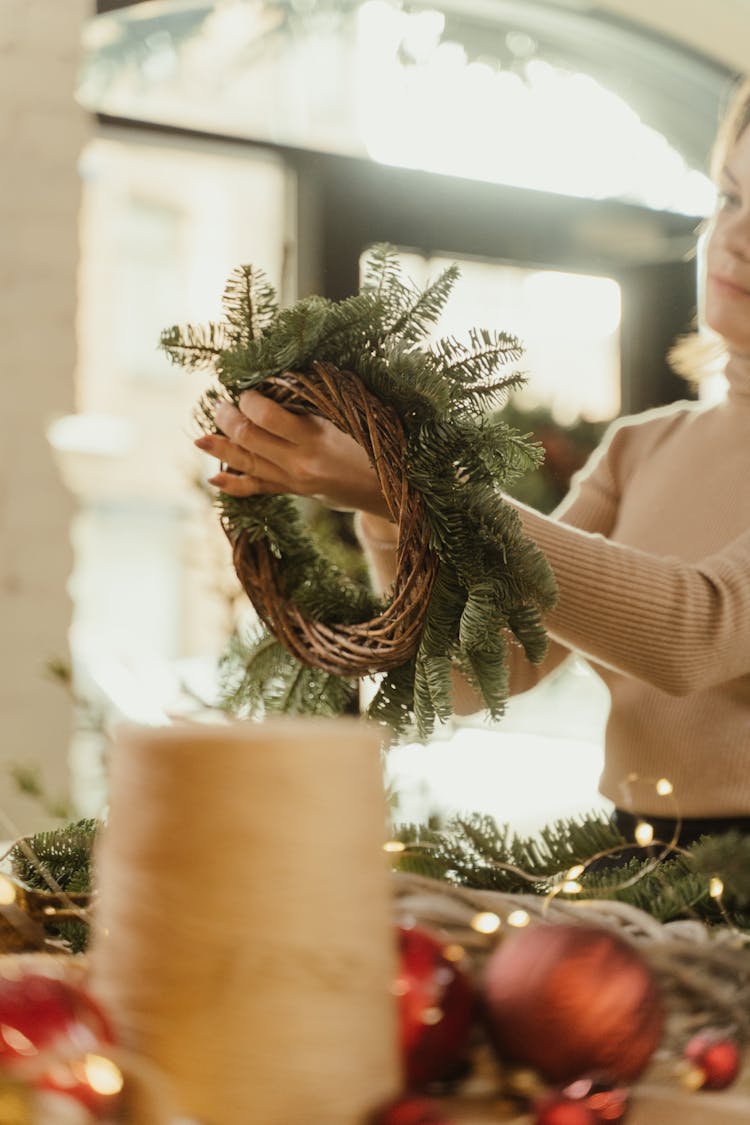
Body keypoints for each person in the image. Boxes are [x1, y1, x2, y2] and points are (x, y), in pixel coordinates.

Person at [195, 78, 750, 852]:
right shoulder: (643, 447)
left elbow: (697, 634)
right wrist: (391, 509)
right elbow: (472, 674)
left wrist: (415, 482)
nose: (736, 238)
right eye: (729, 199)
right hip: (639, 870)